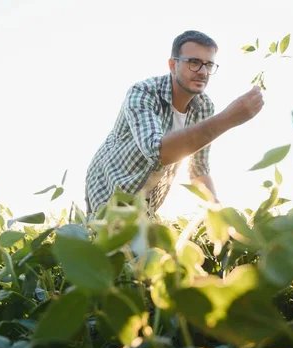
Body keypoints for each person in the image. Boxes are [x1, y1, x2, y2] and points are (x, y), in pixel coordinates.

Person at [84, 30, 264, 214]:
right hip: (108, 191)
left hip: (146, 204)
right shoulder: (144, 92)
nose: (202, 72)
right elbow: (157, 152)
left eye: (208, 65)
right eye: (194, 62)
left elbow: (199, 169)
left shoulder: (204, 107)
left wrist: (220, 213)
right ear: (173, 65)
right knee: (107, 239)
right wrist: (228, 118)